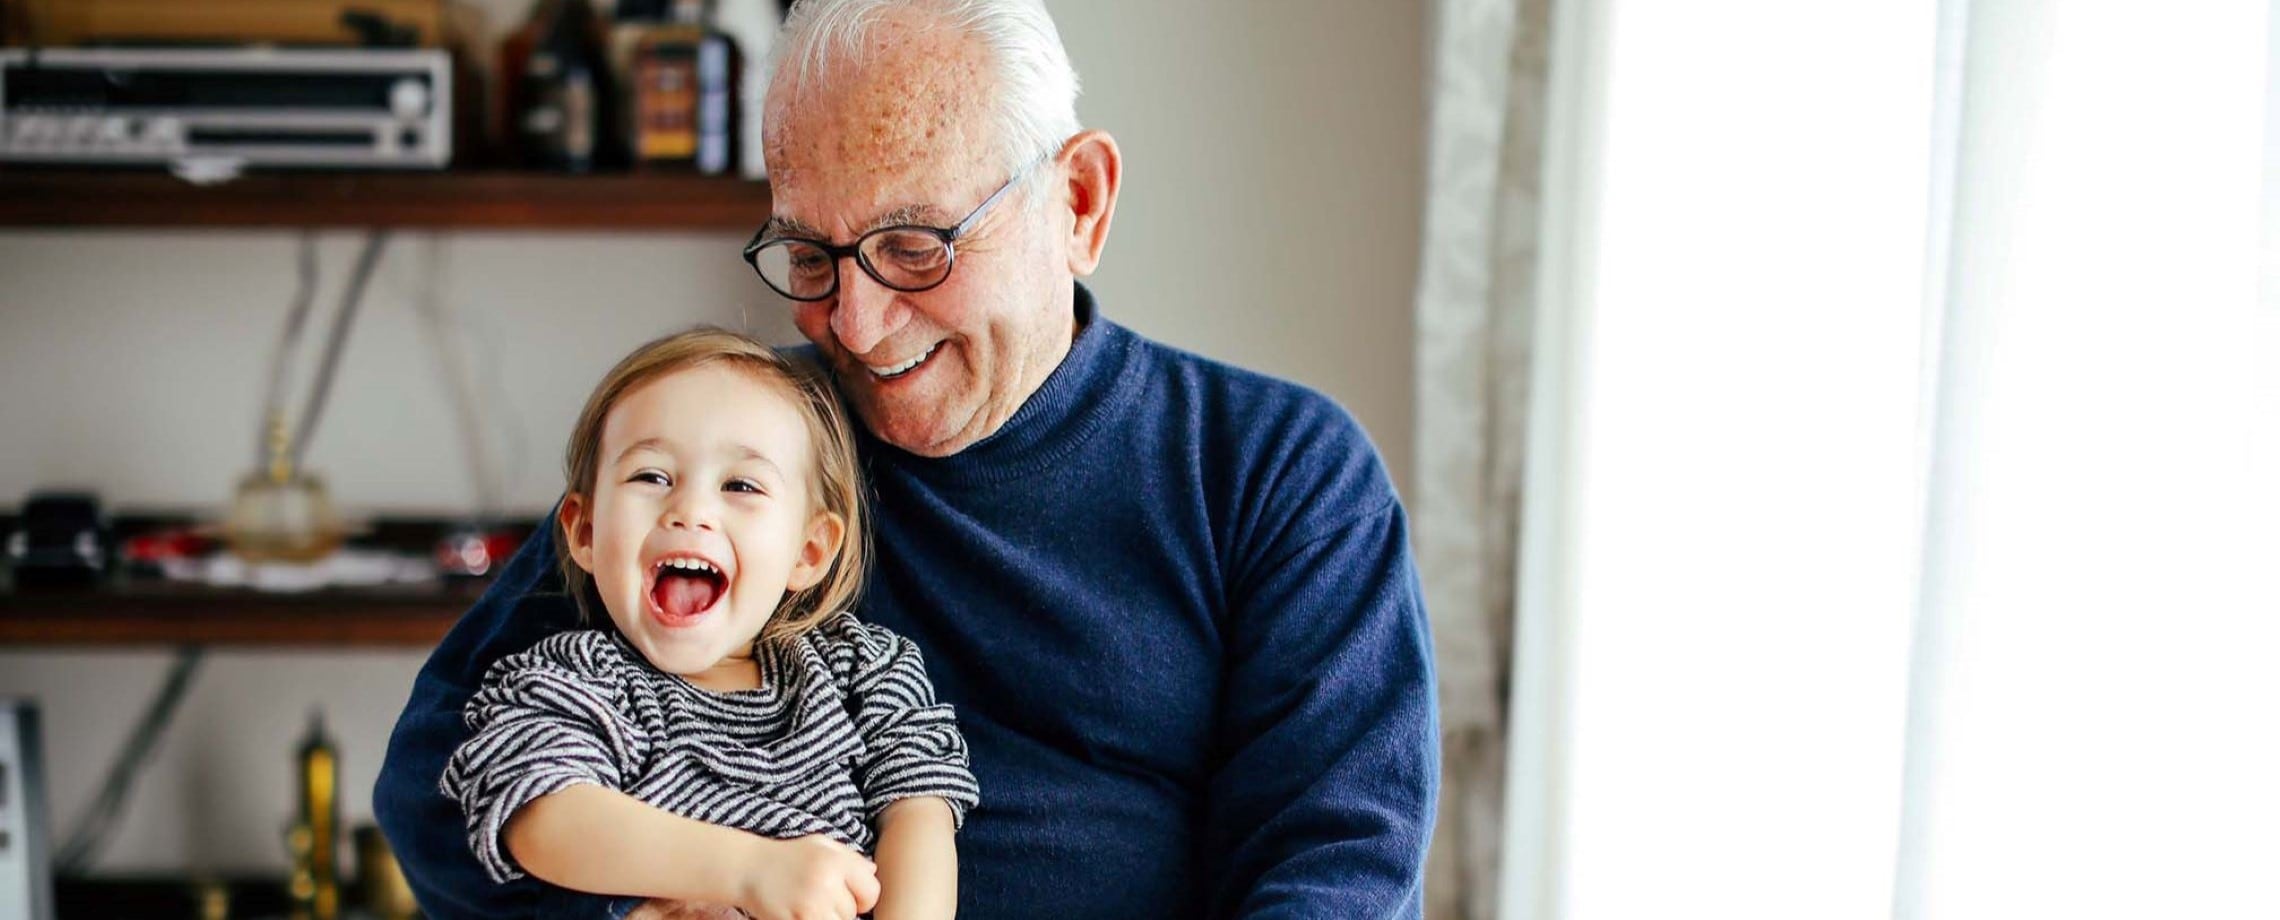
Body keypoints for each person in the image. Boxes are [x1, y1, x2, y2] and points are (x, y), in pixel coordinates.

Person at [376, 0, 1440, 916]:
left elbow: (1335, 860)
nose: (861, 322)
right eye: (810, 253)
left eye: (916, 245)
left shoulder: (1278, 472)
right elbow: (437, 775)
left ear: (1079, 202)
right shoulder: (741, 450)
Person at [438, 329, 976, 920]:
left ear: (809, 550)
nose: (690, 511)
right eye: (651, 477)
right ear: (584, 531)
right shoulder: (576, 678)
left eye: (740, 485)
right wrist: (749, 872)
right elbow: (541, 813)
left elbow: (920, 811)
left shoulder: (864, 671)